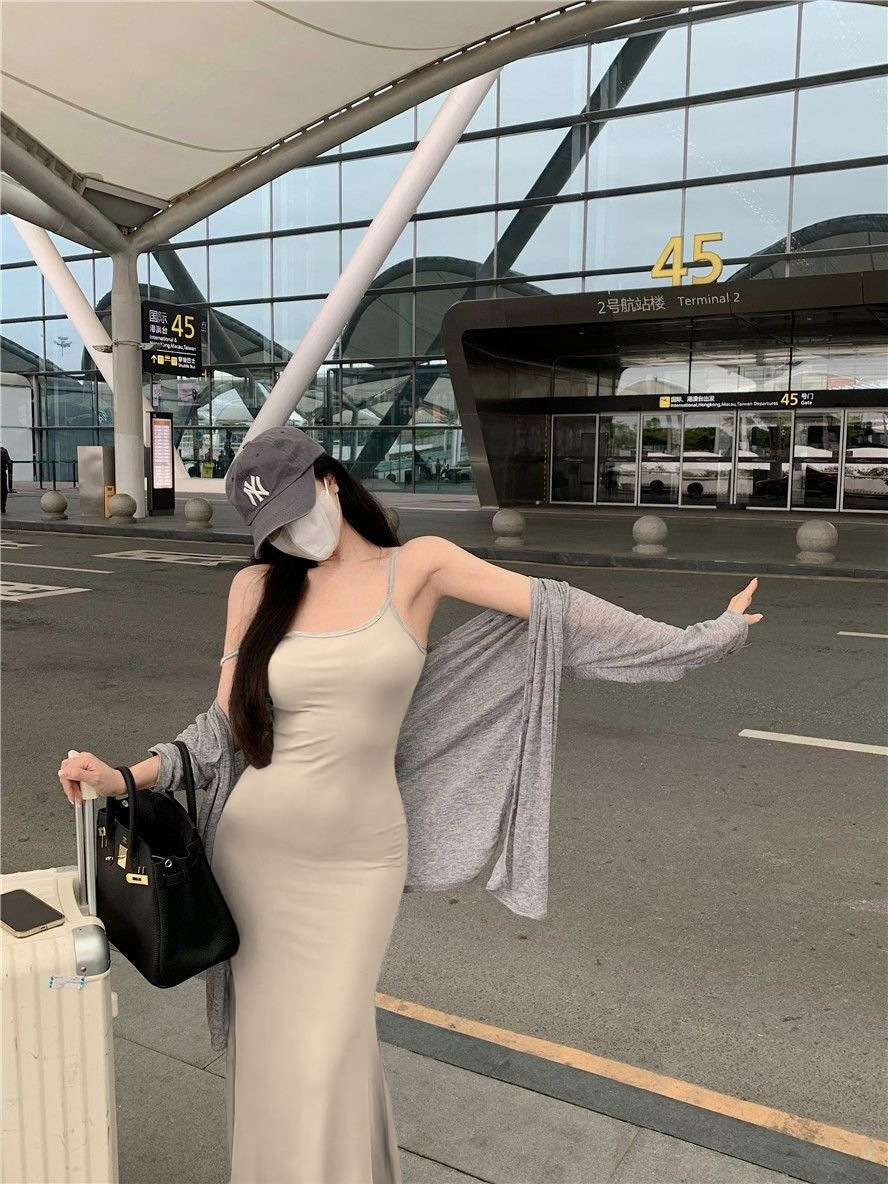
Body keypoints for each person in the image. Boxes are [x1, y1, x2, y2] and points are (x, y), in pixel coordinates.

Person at [57, 426, 762, 1183]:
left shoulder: (418, 565)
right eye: (274, 530)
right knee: (280, 1057)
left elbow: (557, 610)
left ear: (329, 481)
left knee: (323, 1056)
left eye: (296, 513)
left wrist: (699, 639)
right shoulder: (257, 588)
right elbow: (220, 731)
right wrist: (122, 777)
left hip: (360, 860)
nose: (293, 537)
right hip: (255, 853)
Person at [0, 443, 11, 512]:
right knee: (3, 489)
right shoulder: (3, 450)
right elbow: (9, 462)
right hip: (2, 473)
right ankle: (3, 506)